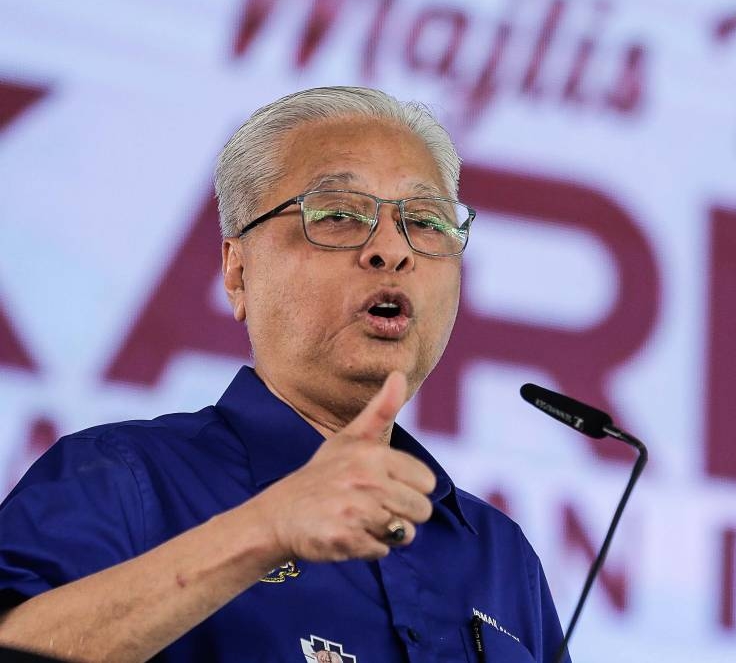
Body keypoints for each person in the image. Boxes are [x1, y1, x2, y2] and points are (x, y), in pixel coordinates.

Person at [0, 87, 566, 662]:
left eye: (424, 221)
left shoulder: (500, 556)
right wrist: (265, 529)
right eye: (339, 215)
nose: (393, 250)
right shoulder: (125, 479)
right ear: (237, 273)